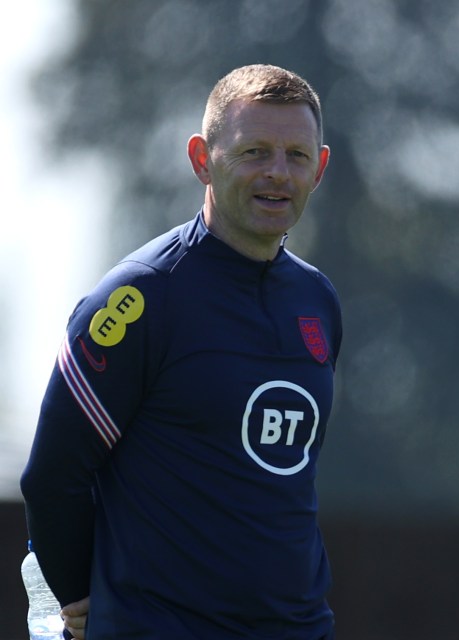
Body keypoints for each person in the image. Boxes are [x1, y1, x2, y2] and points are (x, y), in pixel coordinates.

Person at [20, 63, 340, 639]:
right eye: (254, 152)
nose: (277, 172)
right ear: (202, 160)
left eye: (296, 154)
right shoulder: (140, 297)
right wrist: (79, 603)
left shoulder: (317, 301)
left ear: (319, 169)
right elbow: (53, 476)